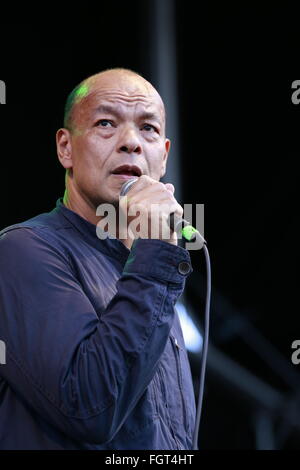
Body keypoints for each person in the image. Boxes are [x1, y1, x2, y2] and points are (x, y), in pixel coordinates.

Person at [0, 68, 196, 450]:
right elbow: (91, 408)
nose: (131, 143)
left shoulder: (150, 271)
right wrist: (156, 250)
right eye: (106, 123)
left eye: (149, 129)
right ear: (65, 148)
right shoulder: (22, 250)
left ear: (164, 157)